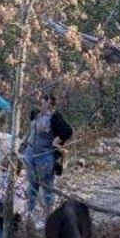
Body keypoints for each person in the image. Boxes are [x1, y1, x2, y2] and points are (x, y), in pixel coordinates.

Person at [24, 93, 73, 223]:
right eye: (42, 102)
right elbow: (30, 130)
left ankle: (49, 217)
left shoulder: (55, 117)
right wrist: (22, 145)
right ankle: (29, 215)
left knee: (47, 188)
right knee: (31, 185)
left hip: (44, 155)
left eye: (46, 102)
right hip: (30, 153)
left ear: (51, 104)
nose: (43, 105)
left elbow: (68, 131)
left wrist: (56, 142)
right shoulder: (35, 113)